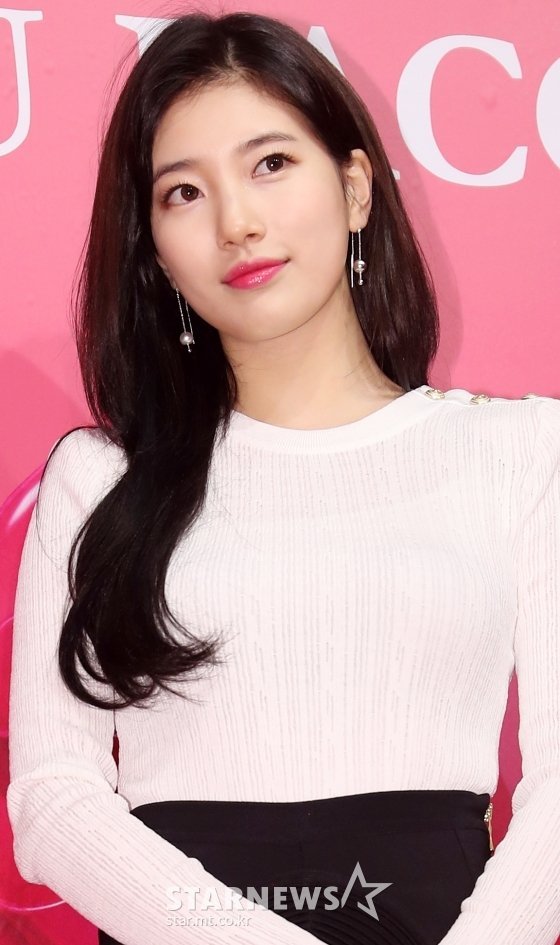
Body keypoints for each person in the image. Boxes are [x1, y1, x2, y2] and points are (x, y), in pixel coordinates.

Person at [6, 10, 560, 945]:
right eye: (185, 191)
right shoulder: (99, 481)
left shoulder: (524, 451)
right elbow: (54, 799)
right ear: (155, 252)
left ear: (355, 188)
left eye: (270, 163)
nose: (239, 222)